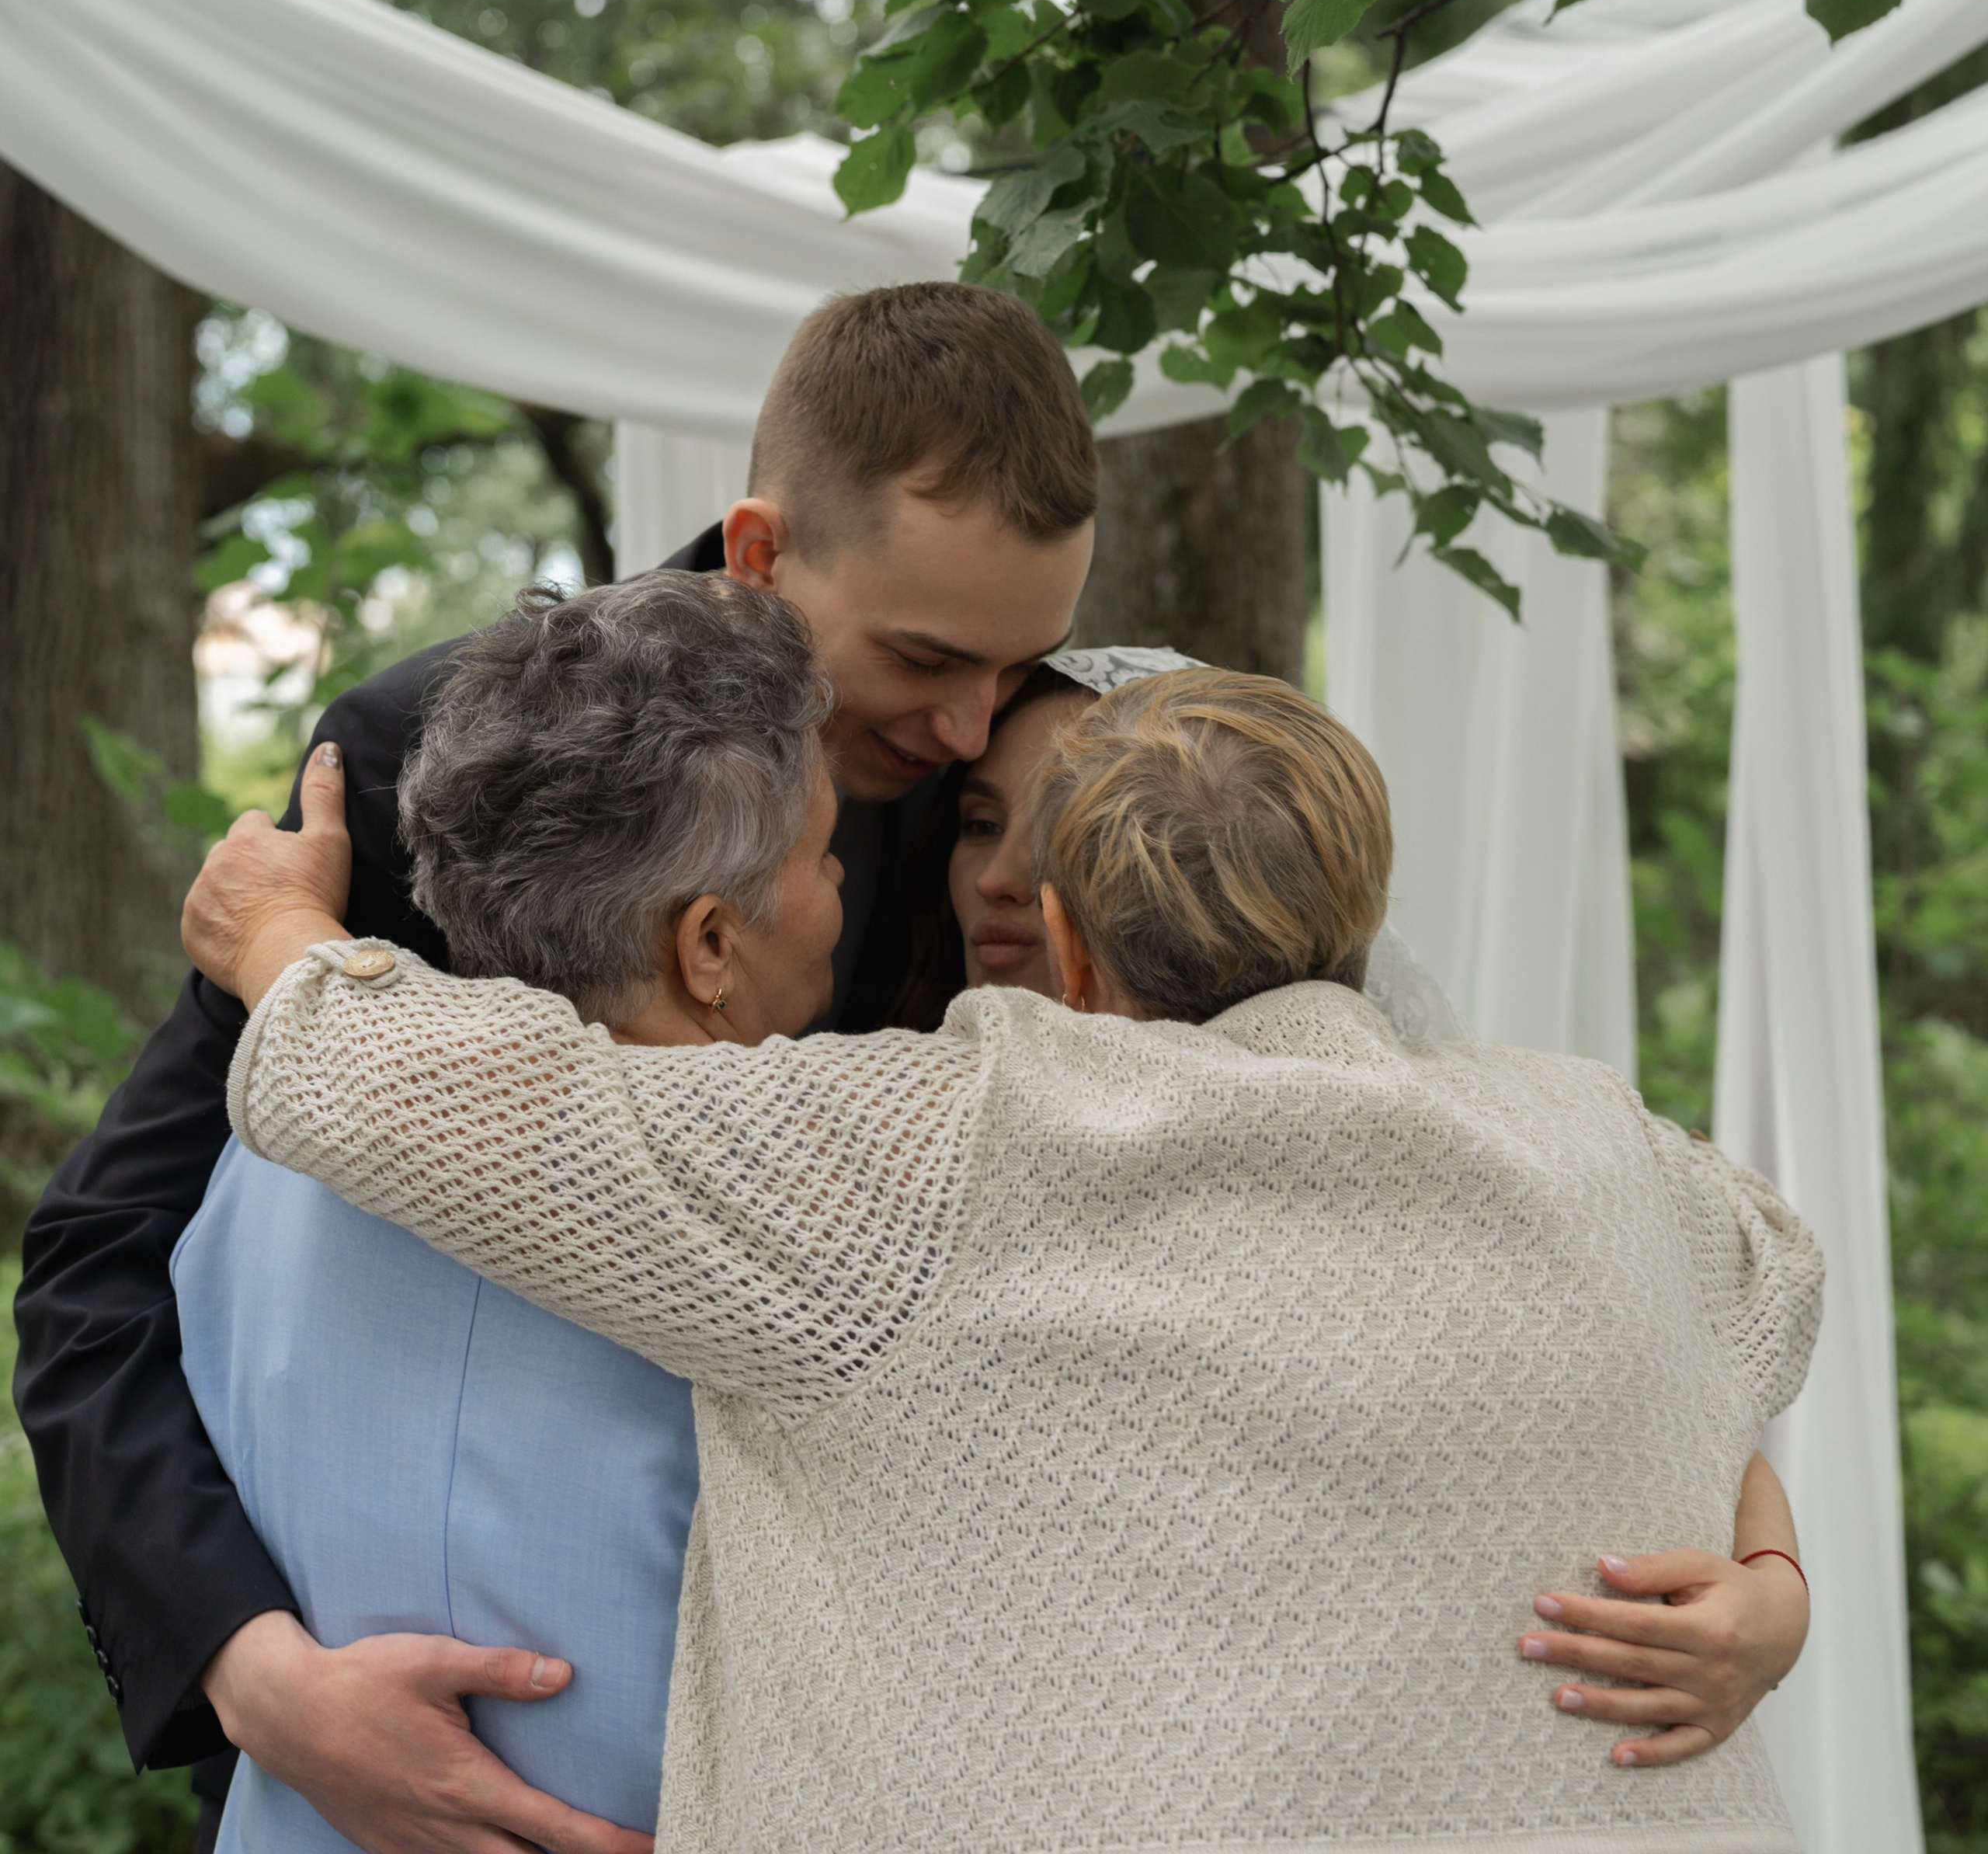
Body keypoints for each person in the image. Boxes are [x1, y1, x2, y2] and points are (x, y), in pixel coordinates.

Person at [184, 668, 1824, 1854]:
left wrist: (273, 924)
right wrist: (1772, 1585)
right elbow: (1760, 1302)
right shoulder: (1617, 1155)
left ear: (1075, 944)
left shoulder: (922, 1149)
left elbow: (415, 1093)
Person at [11, 280, 1097, 1854]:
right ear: (756, 552)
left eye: (1023, 659)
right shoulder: (433, 752)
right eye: (925, 655)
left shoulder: (1035, 774)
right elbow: (104, 1261)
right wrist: (260, 1676)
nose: (969, 723)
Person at [172, 572, 838, 1853]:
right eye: (824, 852)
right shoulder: (778, 1211)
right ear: (706, 946)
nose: (847, 882)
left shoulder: (258, 1162)